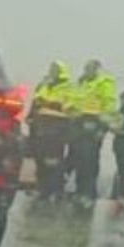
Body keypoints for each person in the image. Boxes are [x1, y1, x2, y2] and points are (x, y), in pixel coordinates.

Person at [66, 59, 117, 204]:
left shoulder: (104, 83)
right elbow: (72, 101)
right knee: (78, 157)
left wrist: (102, 128)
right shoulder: (80, 83)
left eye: (90, 68)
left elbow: (109, 107)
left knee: (90, 158)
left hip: (95, 122)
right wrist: (71, 113)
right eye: (86, 68)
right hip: (79, 122)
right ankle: (80, 190)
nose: (87, 71)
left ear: (97, 69)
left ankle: (89, 192)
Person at [28, 60, 74, 200]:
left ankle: (56, 190)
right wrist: (31, 117)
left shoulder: (68, 88)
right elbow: (36, 102)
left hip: (58, 128)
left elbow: (70, 107)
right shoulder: (44, 84)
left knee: (54, 161)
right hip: (41, 126)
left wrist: (51, 104)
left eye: (55, 69)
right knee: (40, 159)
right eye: (51, 68)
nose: (51, 71)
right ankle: (42, 188)